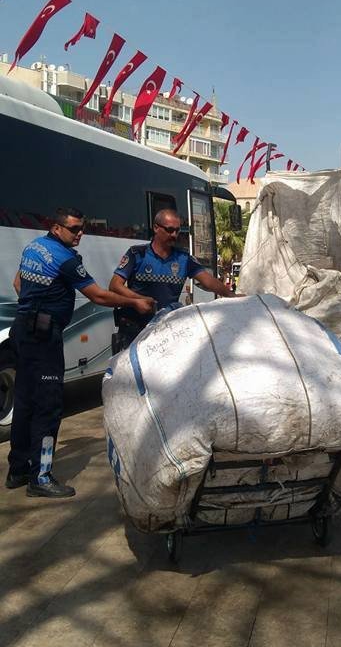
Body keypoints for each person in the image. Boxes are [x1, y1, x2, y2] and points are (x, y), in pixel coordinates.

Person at [6, 208, 155, 499]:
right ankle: (41, 475)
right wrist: (135, 302)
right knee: (48, 407)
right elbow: (98, 295)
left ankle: (17, 470)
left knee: (24, 403)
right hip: (44, 339)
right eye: (74, 229)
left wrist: (33, 304)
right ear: (57, 227)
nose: (80, 234)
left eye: (82, 228)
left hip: (22, 332)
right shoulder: (66, 260)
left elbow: (17, 283)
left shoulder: (34, 247)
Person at [109, 208, 236, 350]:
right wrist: (138, 300)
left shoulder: (184, 259)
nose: (174, 235)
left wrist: (232, 295)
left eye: (177, 231)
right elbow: (115, 286)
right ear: (156, 228)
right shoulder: (137, 254)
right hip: (133, 330)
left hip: (165, 331)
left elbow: (208, 281)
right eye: (169, 230)